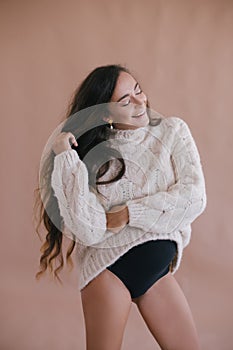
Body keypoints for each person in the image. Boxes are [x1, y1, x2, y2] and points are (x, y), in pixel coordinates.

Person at [35, 64, 207, 350]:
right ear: (105, 113)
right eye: (126, 100)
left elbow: (194, 198)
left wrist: (127, 214)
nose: (140, 101)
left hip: (157, 273)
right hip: (107, 270)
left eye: (138, 90)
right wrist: (66, 158)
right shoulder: (90, 157)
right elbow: (88, 230)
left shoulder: (173, 131)